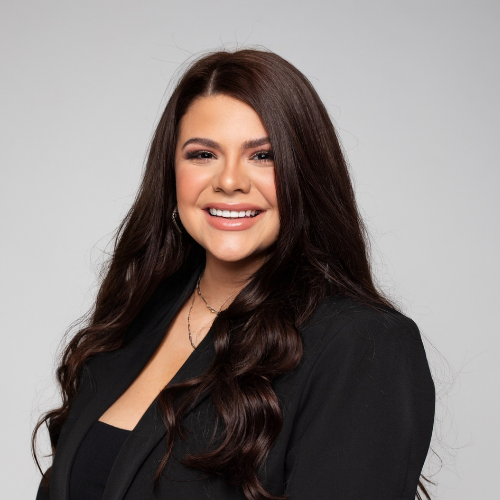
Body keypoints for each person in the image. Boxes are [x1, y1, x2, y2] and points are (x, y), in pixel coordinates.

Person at [33, 48, 435, 500]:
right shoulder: (135, 315)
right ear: (171, 171)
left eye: (262, 155)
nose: (229, 181)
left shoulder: (364, 345)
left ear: (305, 172)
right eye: (203, 154)